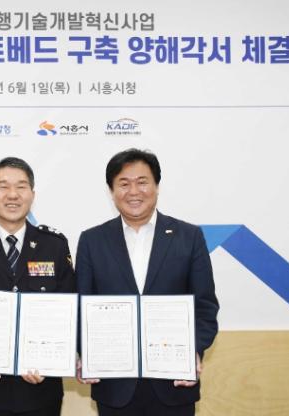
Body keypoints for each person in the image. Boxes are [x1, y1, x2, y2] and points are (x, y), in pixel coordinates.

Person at [75, 148, 219, 416]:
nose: (133, 191)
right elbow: (81, 307)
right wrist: (85, 352)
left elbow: (205, 306)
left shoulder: (189, 237)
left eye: (142, 182)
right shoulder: (92, 241)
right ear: (111, 191)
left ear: (156, 186)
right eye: (123, 184)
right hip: (114, 385)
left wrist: (193, 349)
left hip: (174, 382)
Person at [0, 157, 76, 416]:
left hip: (41, 388)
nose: (12, 195)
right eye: (3, 186)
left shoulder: (54, 244)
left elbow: (68, 308)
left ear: (32, 194)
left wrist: (51, 362)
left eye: (21, 186)